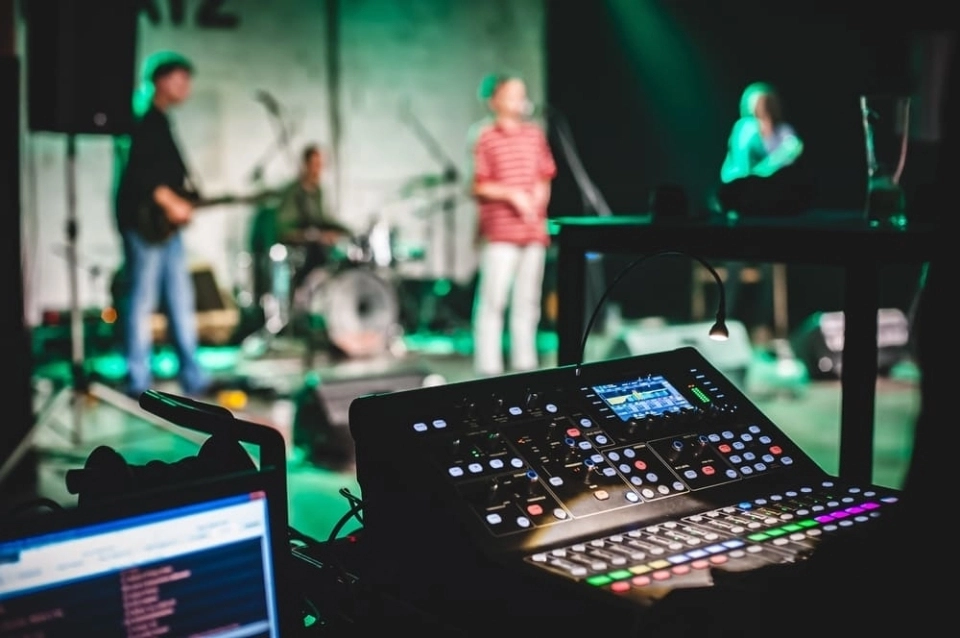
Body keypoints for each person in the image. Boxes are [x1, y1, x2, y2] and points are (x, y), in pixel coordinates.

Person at [114, 51, 212, 399]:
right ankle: (138, 378)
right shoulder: (146, 122)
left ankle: (192, 374)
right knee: (142, 300)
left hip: (164, 231)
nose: (186, 88)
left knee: (180, 298)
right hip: (146, 228)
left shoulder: (162, 122)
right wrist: (171, 203)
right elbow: (143, 176)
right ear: (159, 81)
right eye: (180, 79)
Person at [469, 73, 557, 376]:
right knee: (494, 302)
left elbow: (545, 175)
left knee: (528, 302)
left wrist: (537, 202)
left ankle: (525, 365)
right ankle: (488, 369)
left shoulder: (534, 134)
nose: (520, 100)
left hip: (533, 231)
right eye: (512, 94)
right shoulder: (485, 136)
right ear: (495, 100)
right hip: (501, 234)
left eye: (522, 93)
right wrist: (512, 195)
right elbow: (479, 185)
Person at [716, 82, 811, 341]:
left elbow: (790, 162)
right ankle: (726, 320)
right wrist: (770, 166)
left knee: (771, 261)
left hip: (766, 211)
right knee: (733, 263)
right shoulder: (744, 129)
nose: (760, 108)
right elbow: (741, 169)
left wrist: (777, 161)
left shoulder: (783, 133)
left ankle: (762, 325)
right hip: (740, 207)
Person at [273, 144, 348, 289]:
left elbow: (320, 220)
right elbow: (285, 231)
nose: (318, 170)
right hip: (299, 258)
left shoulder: (317, 192)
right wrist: (317, 236)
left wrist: (342, 231)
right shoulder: (292, 193)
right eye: (315, 165)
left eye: (320, 165)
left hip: (317, 254)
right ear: (305, 165)